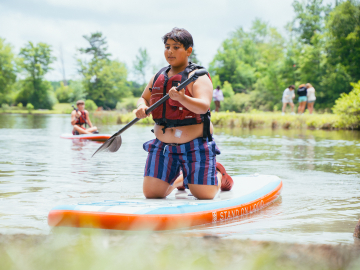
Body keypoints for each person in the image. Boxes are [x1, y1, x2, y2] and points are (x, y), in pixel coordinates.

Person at [134, 27, 234, 200]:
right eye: (167, 47)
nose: (170, 51)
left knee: (204, 195)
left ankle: (218, 174)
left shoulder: (198, 76)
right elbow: (143, 98)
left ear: (188, 51)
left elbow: (203, 107)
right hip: (163, 146)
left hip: (195, 144)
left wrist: (182, 98)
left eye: (176, 47)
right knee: (151, 194)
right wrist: (140, 108)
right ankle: (181, 179)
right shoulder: (158, 76)